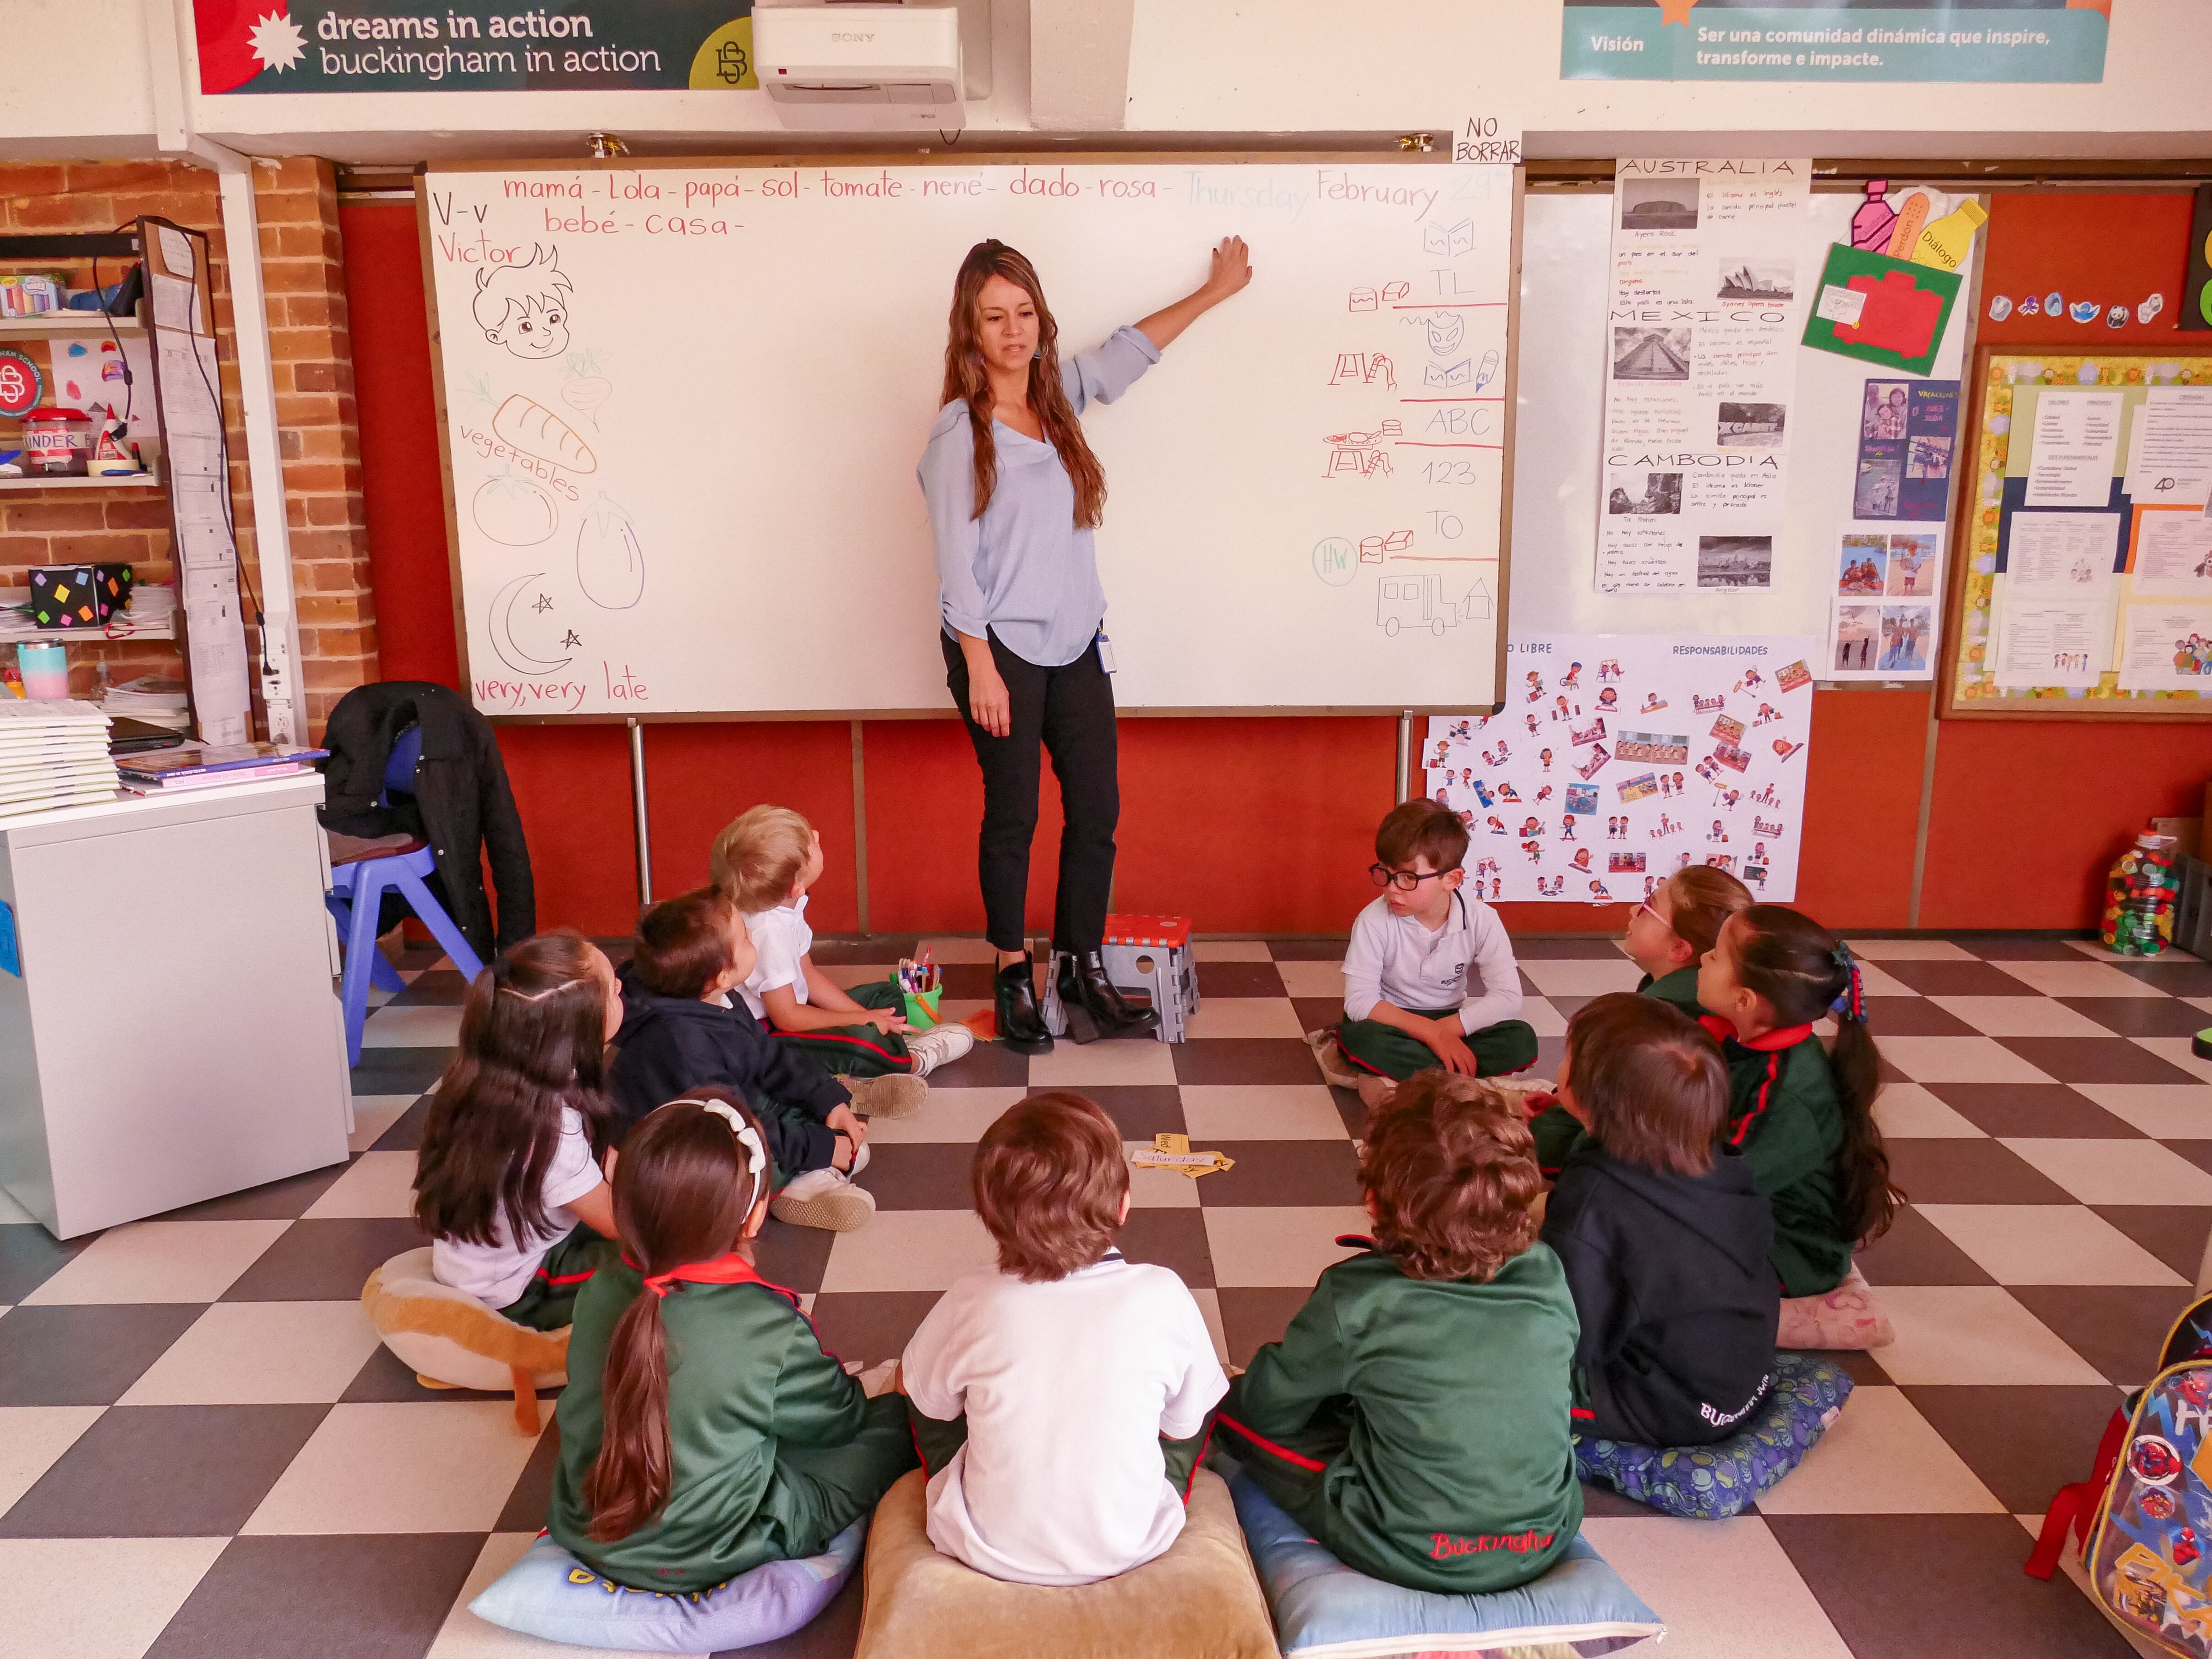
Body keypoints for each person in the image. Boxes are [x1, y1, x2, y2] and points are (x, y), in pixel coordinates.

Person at [921, 236, 1251, 1054]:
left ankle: (1076, 970)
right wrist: (978, 665)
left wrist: (1211, 292)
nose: (1012, 331)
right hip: (996, 649)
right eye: (993, 317)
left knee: (1096, 813)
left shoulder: (1059, 398)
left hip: (1075, 644)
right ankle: (1010, 974)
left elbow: (1127, 353)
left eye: (1024, 313)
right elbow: (955, 566)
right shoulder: (959, 433)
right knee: (1015, 816)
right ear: (968, 331)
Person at [1216, 1075, 1580, 1594]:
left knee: (1234, 1414)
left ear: (1372, 1202)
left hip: (1407, 1547)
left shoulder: (1356, 1296)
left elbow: (1267, 1408)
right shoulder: (1545, 1270)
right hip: (1543, 1537)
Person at [547, 1093, 917, 1590]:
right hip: (722, 1548)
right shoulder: (767, 1322)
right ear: (755, 1215)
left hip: (584, 1528)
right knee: (896, 1420)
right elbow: (840, 1418)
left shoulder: (597, 1290)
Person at [899, 1094, 1227, 1585]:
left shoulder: (971, 1298)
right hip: (1131, 1544)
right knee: (1203, 1402)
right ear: (1122, 1205)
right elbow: (1180, 1427)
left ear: (988, 1217)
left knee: (916, 1394)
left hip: (989, 1548)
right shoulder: (1163, 1292)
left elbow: (925, 1402)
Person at [1539, 995, 1778, 1447]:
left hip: (1665, 1406)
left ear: (1591, 1096)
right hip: (1738, 1380)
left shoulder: (1593, 1201)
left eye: (1568, 1053)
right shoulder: (1720, 1161)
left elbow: (1566, 1334)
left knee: (1478, 1377)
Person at [609, 887, 883, 1233]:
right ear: (721, 975)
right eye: (743, 938)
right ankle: (795, 1184)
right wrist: (823, 1147)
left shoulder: (713, 995)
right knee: (746, 1165)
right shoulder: (682, 1044)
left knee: (817, 1118)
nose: (752, 935)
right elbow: (735, 1128)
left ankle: (804, 1175)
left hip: (732, 1104)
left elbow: (769, 1057)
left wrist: (827, 1099)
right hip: (688, 1154)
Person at [413, 933, 624, 1329]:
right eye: (612, 990)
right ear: (578, 1027)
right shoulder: (552, 1127)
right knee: (664, 1268)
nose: (620, 990)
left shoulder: (491, 1080)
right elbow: (615, 1221)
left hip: (484, 1265)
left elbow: (602, 1156)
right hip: (517, 1290)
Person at [1697, 904, 1898, 1296]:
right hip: (1740, 1211)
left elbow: (1717, 1181)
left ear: (1745, 1000)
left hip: (1789, 1251)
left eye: (1716, 955)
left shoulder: (1787, 1093)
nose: (1703, 957)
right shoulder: (1741, 1038)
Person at [711, 805, 971, 1080]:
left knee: (887, 996)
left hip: (796, 1013)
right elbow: (787, 1018)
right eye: (811, 843)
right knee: (861, 1045)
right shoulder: (767, 930)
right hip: (769, 1035)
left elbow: (807, 975)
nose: (817, 834)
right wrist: (862, 1021)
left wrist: (868, 1015)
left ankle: (879, 1057)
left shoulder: (786, 906)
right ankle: (913, 1062)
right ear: (795, 886)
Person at [1327, 798, 1536, 1108]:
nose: (1391, 889)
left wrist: (1443, 1033)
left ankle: (1424, 1082)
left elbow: (1507, 997)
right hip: (1393, 1022)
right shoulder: (1373, 920)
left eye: (1408, 878)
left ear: (1450, 880)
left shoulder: (1482, 919)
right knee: (1361, 1038)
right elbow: (1360, 1002)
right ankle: (1465, 1087)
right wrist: (1431, 1036)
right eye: (1385, 873)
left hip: (1452, 1020)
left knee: (1520, 1039)